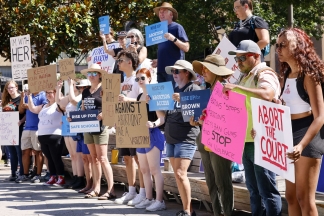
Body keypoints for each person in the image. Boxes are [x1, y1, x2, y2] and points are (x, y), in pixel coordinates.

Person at [224, 40, 281, 216]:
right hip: (247, 140)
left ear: (256, 57)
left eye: (242, 57)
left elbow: (268, 94)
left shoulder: (264, 73)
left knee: (267, 192)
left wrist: (236, 87)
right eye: (237, 58)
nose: (238, 62)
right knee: (254, 191)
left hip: (262, 140)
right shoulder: (245, 76)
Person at [276, 28, 324, 216]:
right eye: (277, 45)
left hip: (308, 136)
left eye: (283, 45)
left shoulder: (309, 76)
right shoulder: (284, 77)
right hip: (288, 134)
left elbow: (320, 117)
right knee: (291, 196)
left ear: (298, 46)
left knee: (304, 197)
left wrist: (301, 145)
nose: (278, 49)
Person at [191, 54, 234, 216]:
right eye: (202, 68)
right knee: (211, 182)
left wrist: (206, 121)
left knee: (222, 182)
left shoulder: (226, 89)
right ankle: (217, 213)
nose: (203, 71)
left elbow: (230, 120)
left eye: (206, 68)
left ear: (216, 71)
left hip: (220, 142)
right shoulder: (207, 91)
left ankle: (227, 213)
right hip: (205, 140)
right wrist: (197, 121)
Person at [157, 60, 200, 216]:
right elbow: (164, 114)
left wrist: (182, 99)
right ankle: (188, 209)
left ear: (186, 73)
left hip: (186, 136)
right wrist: (154, 103)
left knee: (181, 174)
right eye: (173, 71)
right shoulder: (174, 89)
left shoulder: (193, 88)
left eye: (177, 71)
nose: (174, 74)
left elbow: (198, 110)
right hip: (171, 137)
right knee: (178, 175)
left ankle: (187, 211)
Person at [113, 50, 146, 205]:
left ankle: (144, 192)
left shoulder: (138, 79)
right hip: (123, 123)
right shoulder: (120, 81)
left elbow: (143, 101)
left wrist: (127, 99)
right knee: (127, 158)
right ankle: (132, 190)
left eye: (121, 60)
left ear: (130, 62)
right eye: (118, 60)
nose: (118, 63)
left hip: (136, 123)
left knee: (138, 159)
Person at [80, 63, 115, 200]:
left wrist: (103, 114)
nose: (91, 76)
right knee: (93, 159)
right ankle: (96, 188)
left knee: (102, 158)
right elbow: (83, 109)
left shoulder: (105, 89)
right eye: (89, 73)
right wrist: (76, 119)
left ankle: (111, 190)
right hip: (88, 126)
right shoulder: (86, 91)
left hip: (101, 126)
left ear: (100, 75)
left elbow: (111, 106)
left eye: (94, 73)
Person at [133, 68, 166, 211]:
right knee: (144, 169)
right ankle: (148, 198)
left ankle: (159, 200)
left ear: (150, 78)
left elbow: (162, 117)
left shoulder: (155, 94)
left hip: (153, 132)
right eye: (137, 79)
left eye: (142, 78)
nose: (140, 81)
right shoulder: (140, 95)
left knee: (154, 169)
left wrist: (153, 123)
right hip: (140, 134)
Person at [27, 89, 66, 186]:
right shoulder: (44, 106)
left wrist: (59, 88)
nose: (48, 95)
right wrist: (29, 96)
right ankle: (53, 176)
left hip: (55, 135)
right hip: (43, 136)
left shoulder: (58, 105)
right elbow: (32, 109)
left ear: (56, 93)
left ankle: (61, 177)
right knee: (49, 158)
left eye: (51, 93)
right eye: (47, 93)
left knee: (56, 158)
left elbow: (63, 105)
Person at [55, 78, 84, 189]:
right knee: (72, 155)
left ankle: (80, 178)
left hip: (75, 126)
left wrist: (71, 85)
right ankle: (75, 177)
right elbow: (59, 102)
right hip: (67, 125)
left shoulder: (80, 96)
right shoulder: (70, 95)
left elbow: (73, 101)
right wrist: (58, 88)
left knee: (77, 155)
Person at [152, 2, 189, 83]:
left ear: (171, 14)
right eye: (160, 12)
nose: (161, 14)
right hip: (160, 70)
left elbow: (186, 47)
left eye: (163, 12)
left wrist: (173, 39)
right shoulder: (159, 30)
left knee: (173, 95)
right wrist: (159, 60)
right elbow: (168, 50)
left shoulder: (177, 27)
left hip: (173, 71)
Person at [17, 90, 47, 183]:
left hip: (37, 128)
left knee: (38, 152)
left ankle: (38, 175)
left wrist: (29, 106)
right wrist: (22, 97)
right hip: (27, 128)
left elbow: (42, 109)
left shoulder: (43, 95)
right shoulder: (27, 95)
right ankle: (25, 175)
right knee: (25, 152)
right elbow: (21, 110)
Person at [1, 80, 25, 181]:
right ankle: (13, 173)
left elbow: (26, 114)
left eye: (12, 87)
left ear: (16, 87)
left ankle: (22, 173)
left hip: (19, 128)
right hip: (8, 130)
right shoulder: (6, 100)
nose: (10, 89)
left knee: (19, 151)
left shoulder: (21, 99)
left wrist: (21, 121)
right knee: (11, 152)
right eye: (8, 88)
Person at [73, 79, 94, 194]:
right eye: (80, 87)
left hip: (88, 130)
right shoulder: (81, 100)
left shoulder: (89, 99)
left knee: (91, 159)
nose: (82, 89)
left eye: (84, 87)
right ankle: (88, 183)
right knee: (85, 159)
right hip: (80, 133)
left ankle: (93, 184)